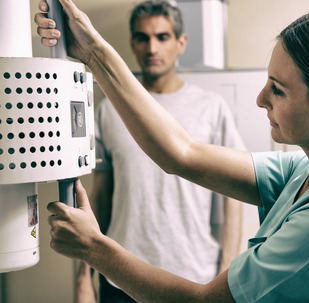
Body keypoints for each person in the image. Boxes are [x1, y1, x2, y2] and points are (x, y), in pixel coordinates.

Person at [36, 0, 309, 302]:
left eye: (278, 90)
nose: (261, 98)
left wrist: (94, 250)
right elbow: (182, 153)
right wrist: (93, 52)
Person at [75, 1, 245, 302]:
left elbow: (233, 196)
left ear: (181, 43)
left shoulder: (211, 107)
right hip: (119, 272)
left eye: (162, 37)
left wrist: (228, 269)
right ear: (132, 43)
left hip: (193, 274)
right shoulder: (108, 111)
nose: (152, 48)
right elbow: (99, 197)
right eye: (142, 38)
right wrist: (84, 275)